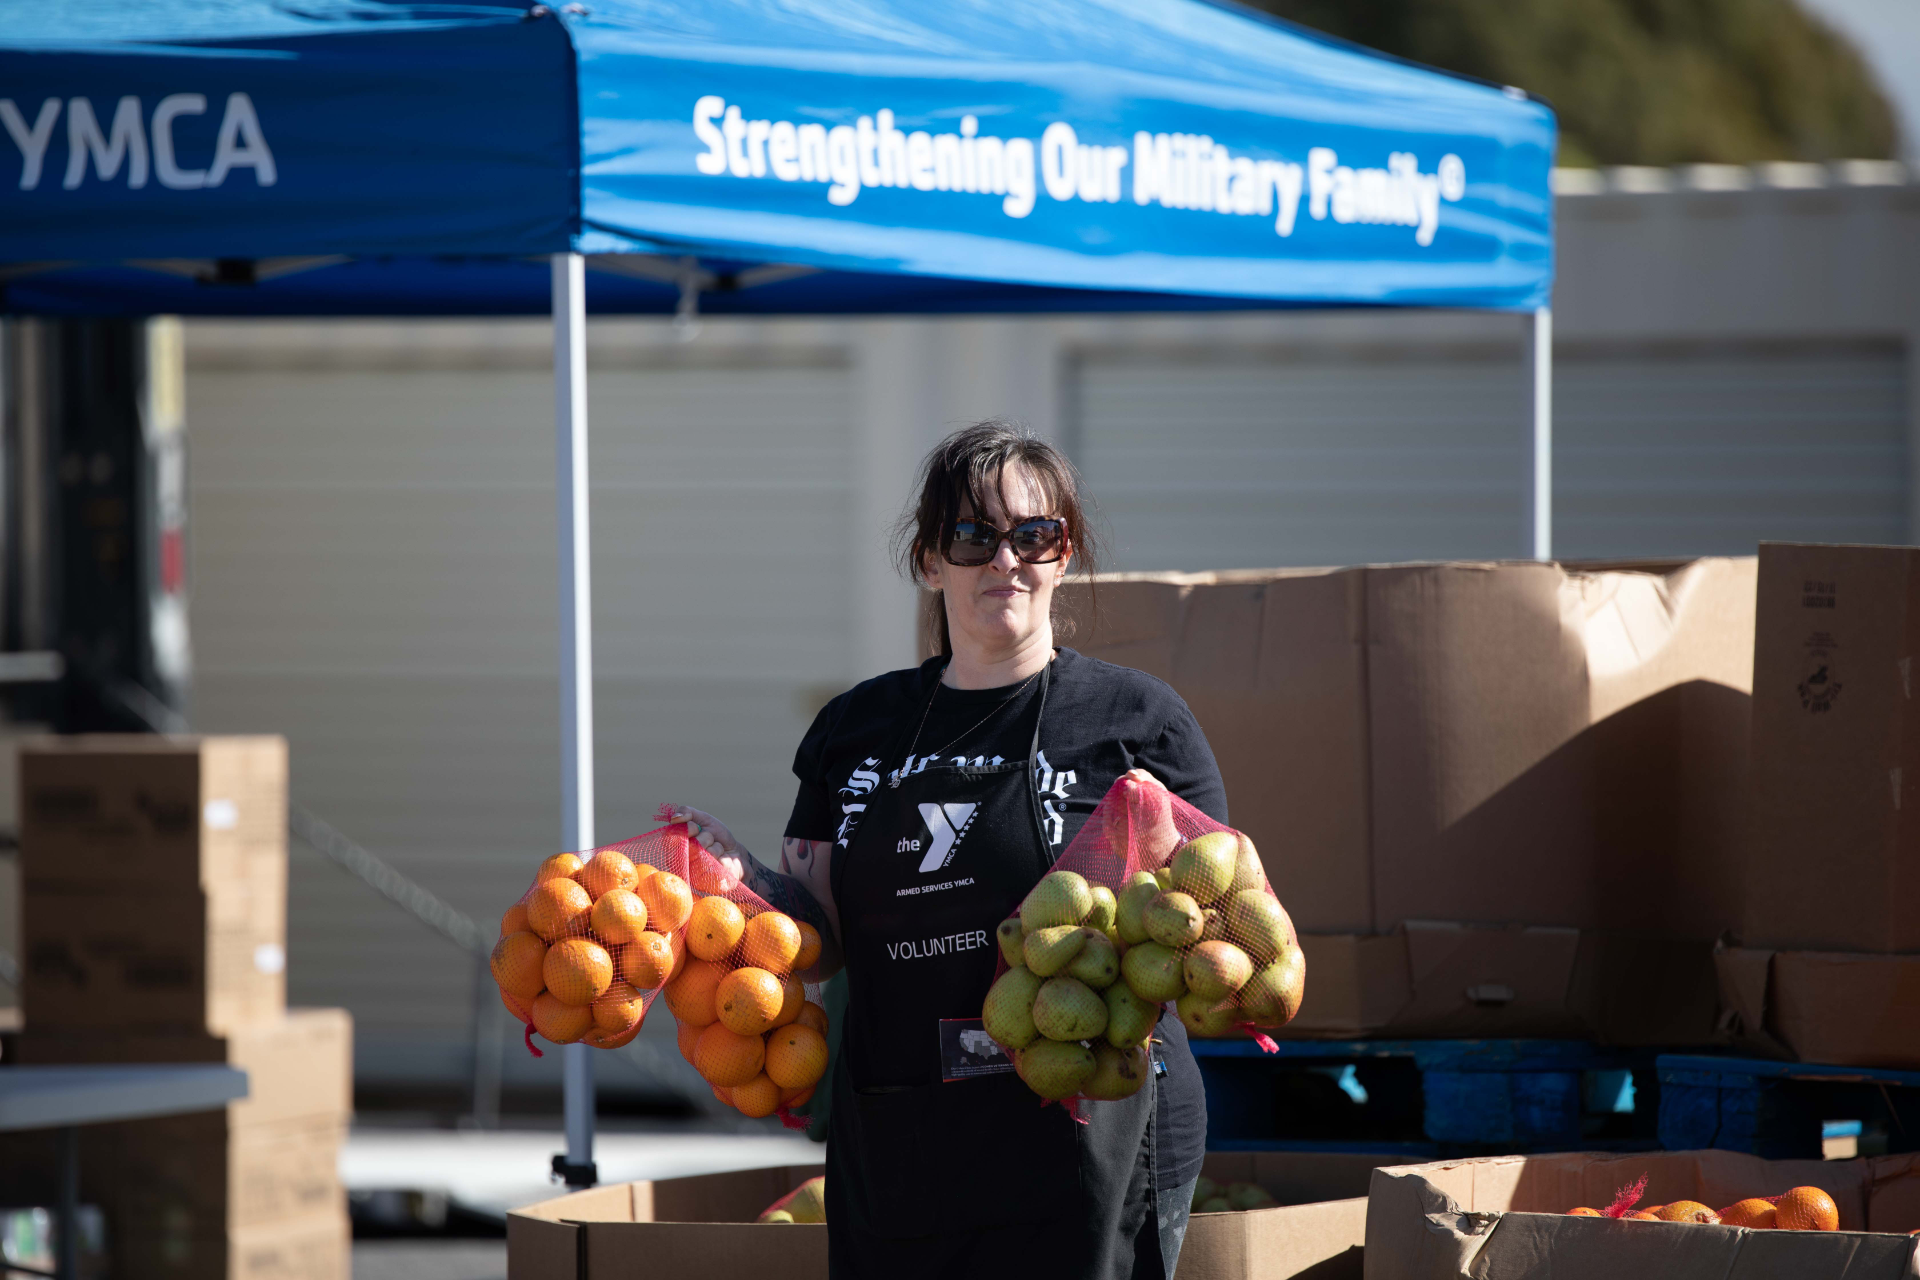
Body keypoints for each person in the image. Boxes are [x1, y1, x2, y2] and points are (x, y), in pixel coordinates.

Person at [672, 421, 1225, 1280]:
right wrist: (743, 882)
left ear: (1064, 555)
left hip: (1089, 1128)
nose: (1006, 560)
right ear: (930, 561)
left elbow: (1211, 920)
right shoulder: (854, 730)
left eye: (1035, 535)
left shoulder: (1137, 723)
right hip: (904, 1135)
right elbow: (817, 942)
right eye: (973, 536)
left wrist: (1153, 847)